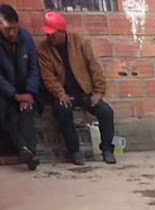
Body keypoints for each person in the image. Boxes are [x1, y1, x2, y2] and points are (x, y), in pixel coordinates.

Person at [37, 11, 115, 165]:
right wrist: (60, 94)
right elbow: (48, 77)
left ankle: (107, 149)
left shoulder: (78, 41)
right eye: (48, 34)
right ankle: (75, 151)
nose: (49, 37)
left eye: (53, 34)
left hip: (85, 92)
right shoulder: (43, 49)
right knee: (62, 111)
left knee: (106, 111)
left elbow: (94, 66)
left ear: (62, 32)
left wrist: (98, 91)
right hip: (64, 94)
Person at [0, 4, 40, 170]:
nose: (12, 33)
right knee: (8, 114)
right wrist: (15, 95)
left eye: (14, 28)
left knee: (26, 112)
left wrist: (29, 93)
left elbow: (34, 68)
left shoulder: (26, 39)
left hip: (26, 91)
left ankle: (28, 151)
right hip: (5, 92)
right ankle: (26, 150)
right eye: (8, 29)